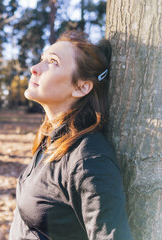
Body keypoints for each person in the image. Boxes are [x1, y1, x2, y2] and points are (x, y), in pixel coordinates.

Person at [9, 31, 134, 240]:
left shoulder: (89, 161)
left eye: (53, 62)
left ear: (81, 86)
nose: (35, 68)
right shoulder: (52, 138)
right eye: (42, 59)